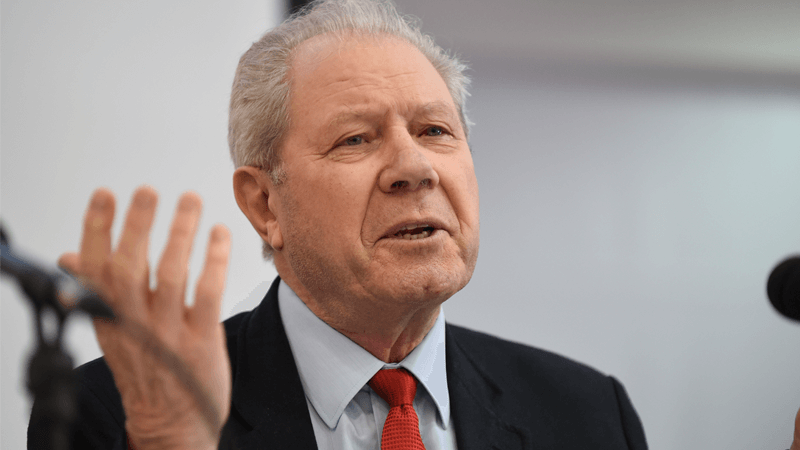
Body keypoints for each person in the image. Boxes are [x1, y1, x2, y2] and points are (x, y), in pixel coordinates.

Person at [26, 0, 800, 449]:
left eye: (435, 131)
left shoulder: (589, 415)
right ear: (264, 204)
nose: (414, 168)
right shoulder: (122, 416)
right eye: (355, 140)